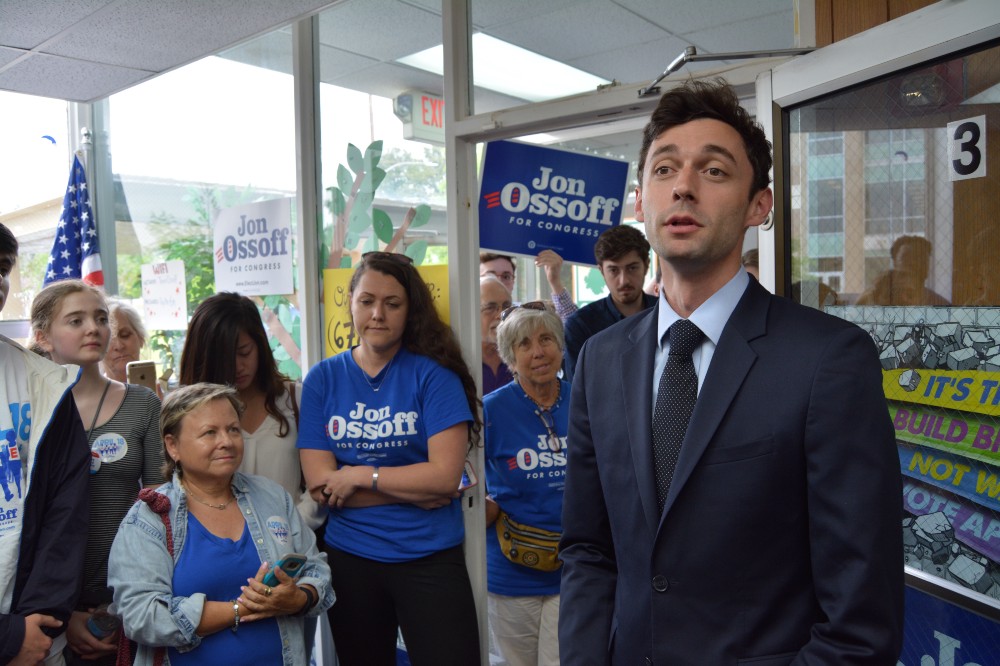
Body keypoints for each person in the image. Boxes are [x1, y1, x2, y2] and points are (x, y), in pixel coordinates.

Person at [559, 78, 903, 664]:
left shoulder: (827, 360)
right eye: (664, 170)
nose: (684, 187)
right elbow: (589, 551)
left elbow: (860, 622)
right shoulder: (601, 359)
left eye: (714, 171)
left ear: (759, 205)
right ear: (641, 199)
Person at [298, 251, 482, 666]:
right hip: (351, 560)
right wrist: (414, 490)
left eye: (392, 303)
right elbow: (323, 486)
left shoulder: (435, 375)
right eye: (367, 301)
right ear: (350, 303)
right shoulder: (322, 379)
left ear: (410, 309)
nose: (378, 314)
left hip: (430, 558)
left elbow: (444, 477)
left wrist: (360, 475)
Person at [107, 383, 333, 665]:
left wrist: (299, 599)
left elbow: (315, 568)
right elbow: (141, 616)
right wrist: (240, 608)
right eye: (209, 432)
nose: (226, 441)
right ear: (172, 445)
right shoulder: (150, 517)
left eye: (233, 429)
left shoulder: (272, 497)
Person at [30, 279, 166, 666]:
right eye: (76, 320)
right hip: (48, 599)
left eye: (100, 318)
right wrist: (63, 613)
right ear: (43, 336)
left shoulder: (143, 404)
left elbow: (161, 505)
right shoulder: (30, 411)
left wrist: (133, 599)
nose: (94, 328)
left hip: (129, 592)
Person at [0, 223, 91, 666]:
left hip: (36, 632)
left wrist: (34, 624)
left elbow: (65, 509)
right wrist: (5, 637)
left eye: (1, 269)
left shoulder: (46, 383)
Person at [179, 292, 323, 529]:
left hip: (295, 544)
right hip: (222, 547)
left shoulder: (296, 400)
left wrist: (289, 534)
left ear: (260, 345)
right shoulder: (186, 413)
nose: (238, 366)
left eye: (245, 352)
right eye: (225, 358)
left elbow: (317, 487)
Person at [483, 303, 569, 666]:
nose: (538, 352)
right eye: (524, 344)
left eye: (546, 339)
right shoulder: (488, 411)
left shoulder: (585, 400)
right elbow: (462, 479)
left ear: (561, 346)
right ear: (510, 358)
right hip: (510, 571)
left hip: (575, 569)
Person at [561, 225, 658, 383]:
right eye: (613, 270)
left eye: (632, 268)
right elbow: (577, 390)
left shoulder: (668, 314)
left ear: (646, 265)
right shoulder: (581, 325)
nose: (624, 280)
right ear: (601, 271)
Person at [481, 250, 579, 322]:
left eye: (506, 276)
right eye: (491, 276)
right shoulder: (469, 318)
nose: (499, 282)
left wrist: (555, 282)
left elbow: (574, 328)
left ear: (513, 281)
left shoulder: (524, 318)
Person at [481, 275, 514, 394]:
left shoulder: (521, 359)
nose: (501, 315)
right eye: (490, 308)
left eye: (506, 307)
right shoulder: (459, 364)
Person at [101, 300, 147, 384]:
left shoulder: (159, 393)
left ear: (141, 338)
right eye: (109, 339)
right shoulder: (88, 396)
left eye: (125, 335)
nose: (119, 346)